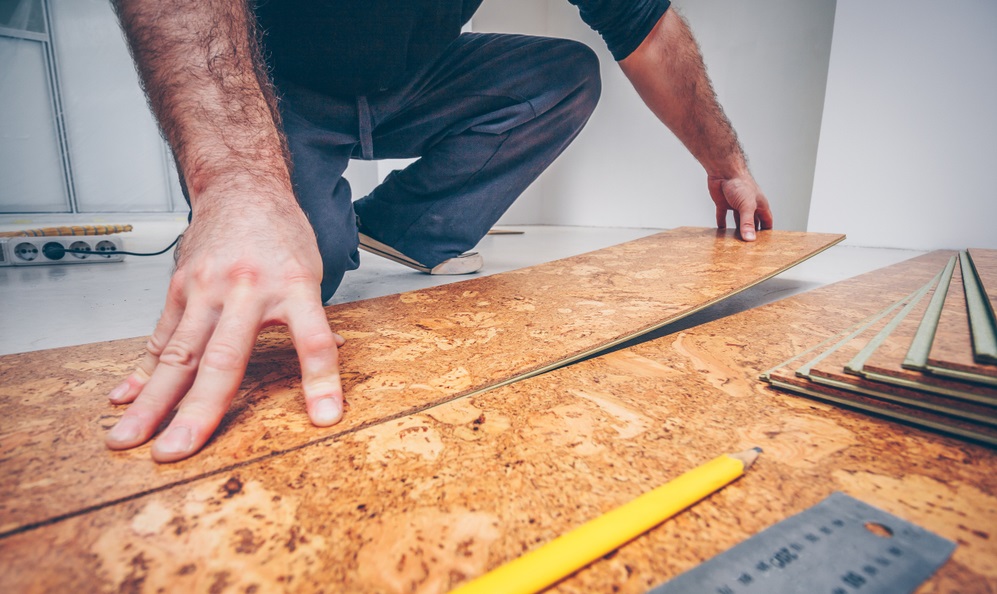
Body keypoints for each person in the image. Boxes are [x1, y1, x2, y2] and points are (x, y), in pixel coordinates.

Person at [104, 0, 773, 463]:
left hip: (412, 81)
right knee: (315, 271)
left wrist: (726, 163)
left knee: (561, 76)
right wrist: (234, 184)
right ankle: (329, 228)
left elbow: (648, 30)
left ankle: (401, 228)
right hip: (280, 91)